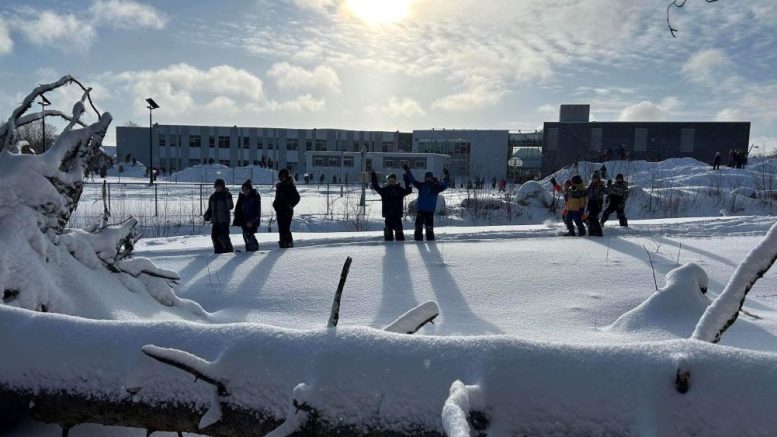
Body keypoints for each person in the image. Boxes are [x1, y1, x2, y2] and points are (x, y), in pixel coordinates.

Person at [404, 165, 450, 241]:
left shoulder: (436, 187)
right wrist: (408, 171)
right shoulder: (421, 185)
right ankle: (418, 242)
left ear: (432, 178)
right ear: (425, 178)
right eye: (427, 177)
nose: (428, 179)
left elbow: (445, 186)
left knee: (429, 230)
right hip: (421, 211)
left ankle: (431, 243)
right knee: (418, 228)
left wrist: (447, 176)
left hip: (429, 212)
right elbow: (413, 180)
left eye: (430, 177)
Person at [371, 171, 412, 241]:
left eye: (393, 181)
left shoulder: (400, 190)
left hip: (397, 216)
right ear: (387, 182)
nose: (391, 182)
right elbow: (376, 186)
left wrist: (406, 179)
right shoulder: (384, 190)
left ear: (396, 181)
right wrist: (373, 177)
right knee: (388, 237)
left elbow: (409, 190)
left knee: (400, 237)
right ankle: (390, 250)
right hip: (388, 216)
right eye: (389, 181)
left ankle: (400, 249)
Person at [203, 178, 234, 254]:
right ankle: (218, 251)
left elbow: (230, 206)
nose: (218, 188)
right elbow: (210, 209)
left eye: (220, 186)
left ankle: (229, 252)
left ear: (223, 187)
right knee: (214, 237)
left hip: (224, 221)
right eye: (217, 186)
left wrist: (228, 197)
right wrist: (207, 215)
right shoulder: (212, 197)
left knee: (224, 237)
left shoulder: (227, 195)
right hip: (215, 221)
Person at [273, 168, 300, 248]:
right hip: (279, 210)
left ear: (286, 176)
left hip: (287, 210)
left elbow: (297, 197)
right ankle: (283, 242)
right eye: (280, 177)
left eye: (283, 177)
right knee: (281, 227)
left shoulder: (290, 186)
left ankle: (288, 242)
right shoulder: (280, 186)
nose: (281, 179)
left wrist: (290, 205)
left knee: (285, 227)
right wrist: (275, 204)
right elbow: (277, 198)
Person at [233, 179, 261, 251]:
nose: (244, 191)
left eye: (246, 189)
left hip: (251, 221)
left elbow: (257, 212)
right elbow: (239, 209)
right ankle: (249, 248)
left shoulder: (254, 197)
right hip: (245, 220)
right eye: (243, 189)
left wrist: (252, 221)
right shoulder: (243, 197)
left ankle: (253, 249)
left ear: (249, 189)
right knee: (246, 235)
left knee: (249, 235)